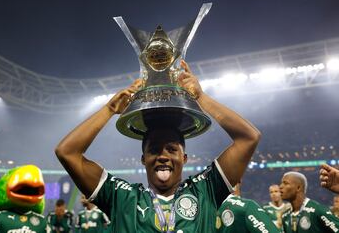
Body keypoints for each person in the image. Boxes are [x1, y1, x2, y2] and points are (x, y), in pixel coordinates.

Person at [55, 60, 261, 232]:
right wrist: (109, 109)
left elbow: (248, 138)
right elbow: (67, 152)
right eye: (154, 149)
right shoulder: (122, 196)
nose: (163, 155)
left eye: (172, 149)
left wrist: (201, 98)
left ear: (184, 158)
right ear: (143, 159)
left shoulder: (205, 190)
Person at [215, 183, 280, 232]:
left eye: (276, 191)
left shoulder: (210, 208)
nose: (274, 194)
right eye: (271, 192)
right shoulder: (247, 206)